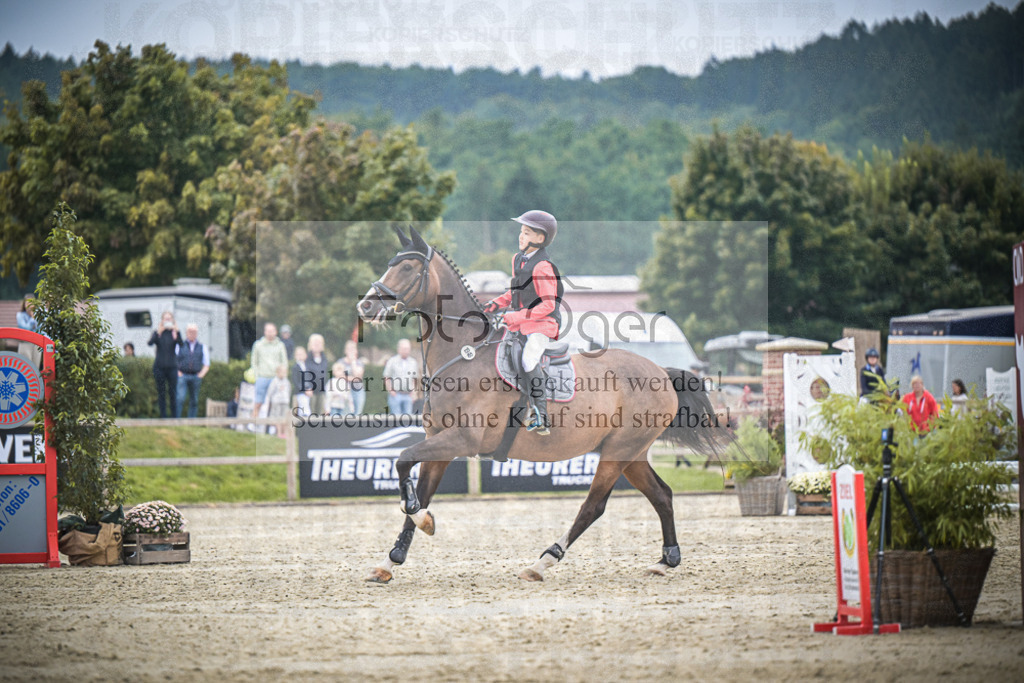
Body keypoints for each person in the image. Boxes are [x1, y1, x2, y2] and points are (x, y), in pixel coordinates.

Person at [483, 210, 563, 435]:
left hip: (543, 323)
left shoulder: (543, 267)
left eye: (526, 233)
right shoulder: (518, 259)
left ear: (540, 238)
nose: (520, 236)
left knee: (528, 359)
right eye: (521, 231)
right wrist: (495, 304)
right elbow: (514, 292)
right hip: (522, 322)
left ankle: (541, 415)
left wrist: (515, 317)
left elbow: (548, 305)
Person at [250, 322, 288, 418]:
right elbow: (254, 361)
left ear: (275, 332)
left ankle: (271, 428)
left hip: (276, 379)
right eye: (268, 331)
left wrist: (283, 377)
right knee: (258, 402)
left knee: (275, 404)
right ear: (265, 332)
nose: (270, 333)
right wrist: (257, 374)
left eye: (272, 331)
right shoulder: (258, 345)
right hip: (262, 377)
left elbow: (284, 362)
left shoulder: (280, 345)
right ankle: (253, 423)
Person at [148, 311, 181, 418]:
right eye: (165, 319)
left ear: (172, 320)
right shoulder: (158, 333)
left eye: (169, 319)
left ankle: (174, 417)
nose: (167, 321)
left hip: (172, 367)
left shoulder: (174, 333)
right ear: (162, 320)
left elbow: (182, 344)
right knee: (161, 393)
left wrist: (177, 331)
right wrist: (158, 332)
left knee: (173, 393)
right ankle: (163, 417)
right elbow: (150, 343)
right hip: (159, 367)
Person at [176, 323, 210, 418]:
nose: (192, 333)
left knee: (194, 400)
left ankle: (191, 422)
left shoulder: (202, 347)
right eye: (190, 331)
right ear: (186, 333)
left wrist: (201, 375)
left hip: (196, 376)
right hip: (183, 376)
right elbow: (174, 360)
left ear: (197, 333)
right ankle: (176, 420)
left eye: (194, 331)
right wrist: (179, 373)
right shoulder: (179, 345)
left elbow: (206, 364)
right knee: (180, 398)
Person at [383, 338, 419, 415]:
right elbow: (386, 377)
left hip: (408, 395)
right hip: (396, 395)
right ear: (399, 349)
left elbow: (414, 379)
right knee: (396, 419)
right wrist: (391, 391)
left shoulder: (413, 362)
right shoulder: (392, 361)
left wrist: (414, 393)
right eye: (405, 349)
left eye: (408, 349)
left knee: (408, 419)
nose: (407, 351)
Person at [340, 339, 367, 415]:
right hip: (344, 391)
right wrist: (354, 378)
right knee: (345, 414)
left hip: (358, 391)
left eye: (353, 348)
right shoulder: (340, 362)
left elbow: (358, 376)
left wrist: (353, 362)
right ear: (345, 351)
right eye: (349, 349)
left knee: (357, 413)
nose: (351, 351)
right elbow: (339, 376)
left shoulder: (359, 363)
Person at [305, 334, 329, 414]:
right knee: (311, 413)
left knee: (321, 413)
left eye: (319, 343)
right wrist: (308, 386)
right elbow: (306, 374)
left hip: (321, 390)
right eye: (315, 343)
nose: (317, 345)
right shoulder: (307, 359)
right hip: (311, 391)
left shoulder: (324, 359)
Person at [265, 364, 293, 434]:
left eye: (285, 372)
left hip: (285, 402)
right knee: (277, 418)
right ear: (278, 372)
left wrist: (287, 399)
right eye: (282, 372)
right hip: (276, 402)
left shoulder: (287, 382)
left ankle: (284, 433)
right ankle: (278, 432)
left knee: (284, 417)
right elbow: (270, 392)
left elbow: (289, 391)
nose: (284, 374)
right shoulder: (274, 381)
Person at [16, 294, 41, 365]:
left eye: (31, 303)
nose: (29, 305)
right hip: (25, 343)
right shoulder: (20, 315)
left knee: (35, 367)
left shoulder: (38, 315)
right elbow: (25, 327)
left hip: (36, 344)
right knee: (25, 366)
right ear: (24, 304)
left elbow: (39, 328)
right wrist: (32, 319)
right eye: (28, 302)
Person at [291, 346, 311, 416]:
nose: (300, 356)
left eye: (302, 354)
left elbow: (309, 378)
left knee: (307, 405)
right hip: (300, 392)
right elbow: (296, 381)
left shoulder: (306, 366)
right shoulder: (295, 367)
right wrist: (304, 390)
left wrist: (310, 388)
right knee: (303, 408)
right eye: (298, 354)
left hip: (307, 391)